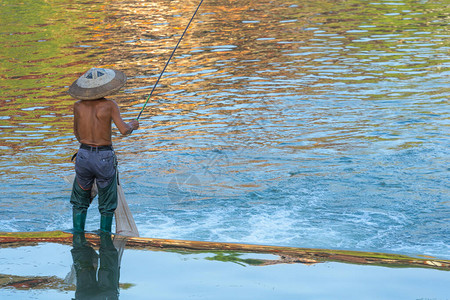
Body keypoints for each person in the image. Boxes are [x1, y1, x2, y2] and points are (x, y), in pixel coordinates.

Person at [68, 67, 139, 233]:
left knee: (80, 202)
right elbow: (124, 130)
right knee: (107, 206)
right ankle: (105, 241)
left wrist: (86, 147)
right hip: (104, 158)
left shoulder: (77, 106)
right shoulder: (110, 105)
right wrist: (132, 125)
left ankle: (78, 240)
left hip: (83, 155)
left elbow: (76, 132)